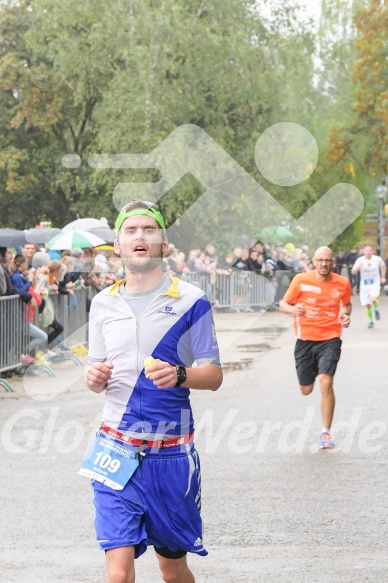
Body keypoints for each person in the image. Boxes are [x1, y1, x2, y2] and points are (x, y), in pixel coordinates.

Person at [82, 200, 222, 583]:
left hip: (171, 456)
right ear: (118, 244)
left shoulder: (191, 300)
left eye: (149, 230)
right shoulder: (103, 303)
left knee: (173, 569)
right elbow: (94, 369)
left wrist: (180, 375)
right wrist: (92, 377)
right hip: (114, 447)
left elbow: (213, 375)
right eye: (131, 231)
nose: (139, 236)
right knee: (117, 572)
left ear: (163, 243)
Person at [279, 246, 352, 449]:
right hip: (304, 340)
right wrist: (294, 309)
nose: (324, 264)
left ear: (332, 262)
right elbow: (283, 304)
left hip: (331, 337)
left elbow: (347, 305)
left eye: (327, 260)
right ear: (314, 261)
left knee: (325, 382)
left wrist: (346, 315)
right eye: (320, 260)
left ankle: (326, 432)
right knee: (306, 389)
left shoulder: (342, 283)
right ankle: (308, 382)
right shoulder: (301, 280)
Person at [351, 244, 387, 328]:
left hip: (375, 282)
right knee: (367, 304)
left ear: (372, 251)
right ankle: (371, 321)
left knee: (373, 298)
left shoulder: (377, 259)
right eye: (366, 250)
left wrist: (383, 277)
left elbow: (383, 266)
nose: (368, 252)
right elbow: (353, 272)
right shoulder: (360, 260)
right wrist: (358, 268)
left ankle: (376, 310)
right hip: (364, 284)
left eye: (370, 250)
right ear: (364, 252)